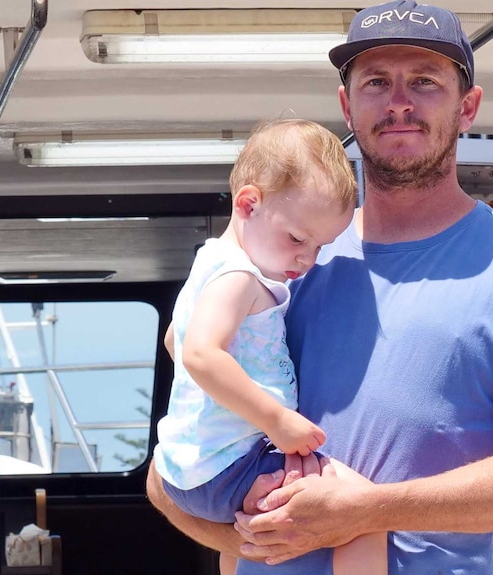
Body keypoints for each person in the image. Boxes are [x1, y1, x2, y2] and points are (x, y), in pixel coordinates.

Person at [147, 1, 493, 573]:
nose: (399, 102)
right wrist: (255, 542)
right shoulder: (281, 265)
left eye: (424, 81)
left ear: (468, 107)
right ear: (347, 105)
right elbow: (170, 475)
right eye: (375, 82)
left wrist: (366, 511)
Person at [151, 118, 387, 575]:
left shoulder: (207, 264)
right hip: (230, 466)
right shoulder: (239, 277)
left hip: (189, 468)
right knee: (364, 513)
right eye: (298, 238)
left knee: (246, 533)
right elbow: (199, 354)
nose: (307, 258)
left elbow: (174, 340)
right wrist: (276, 420)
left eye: (320, 246)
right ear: (248, 204)